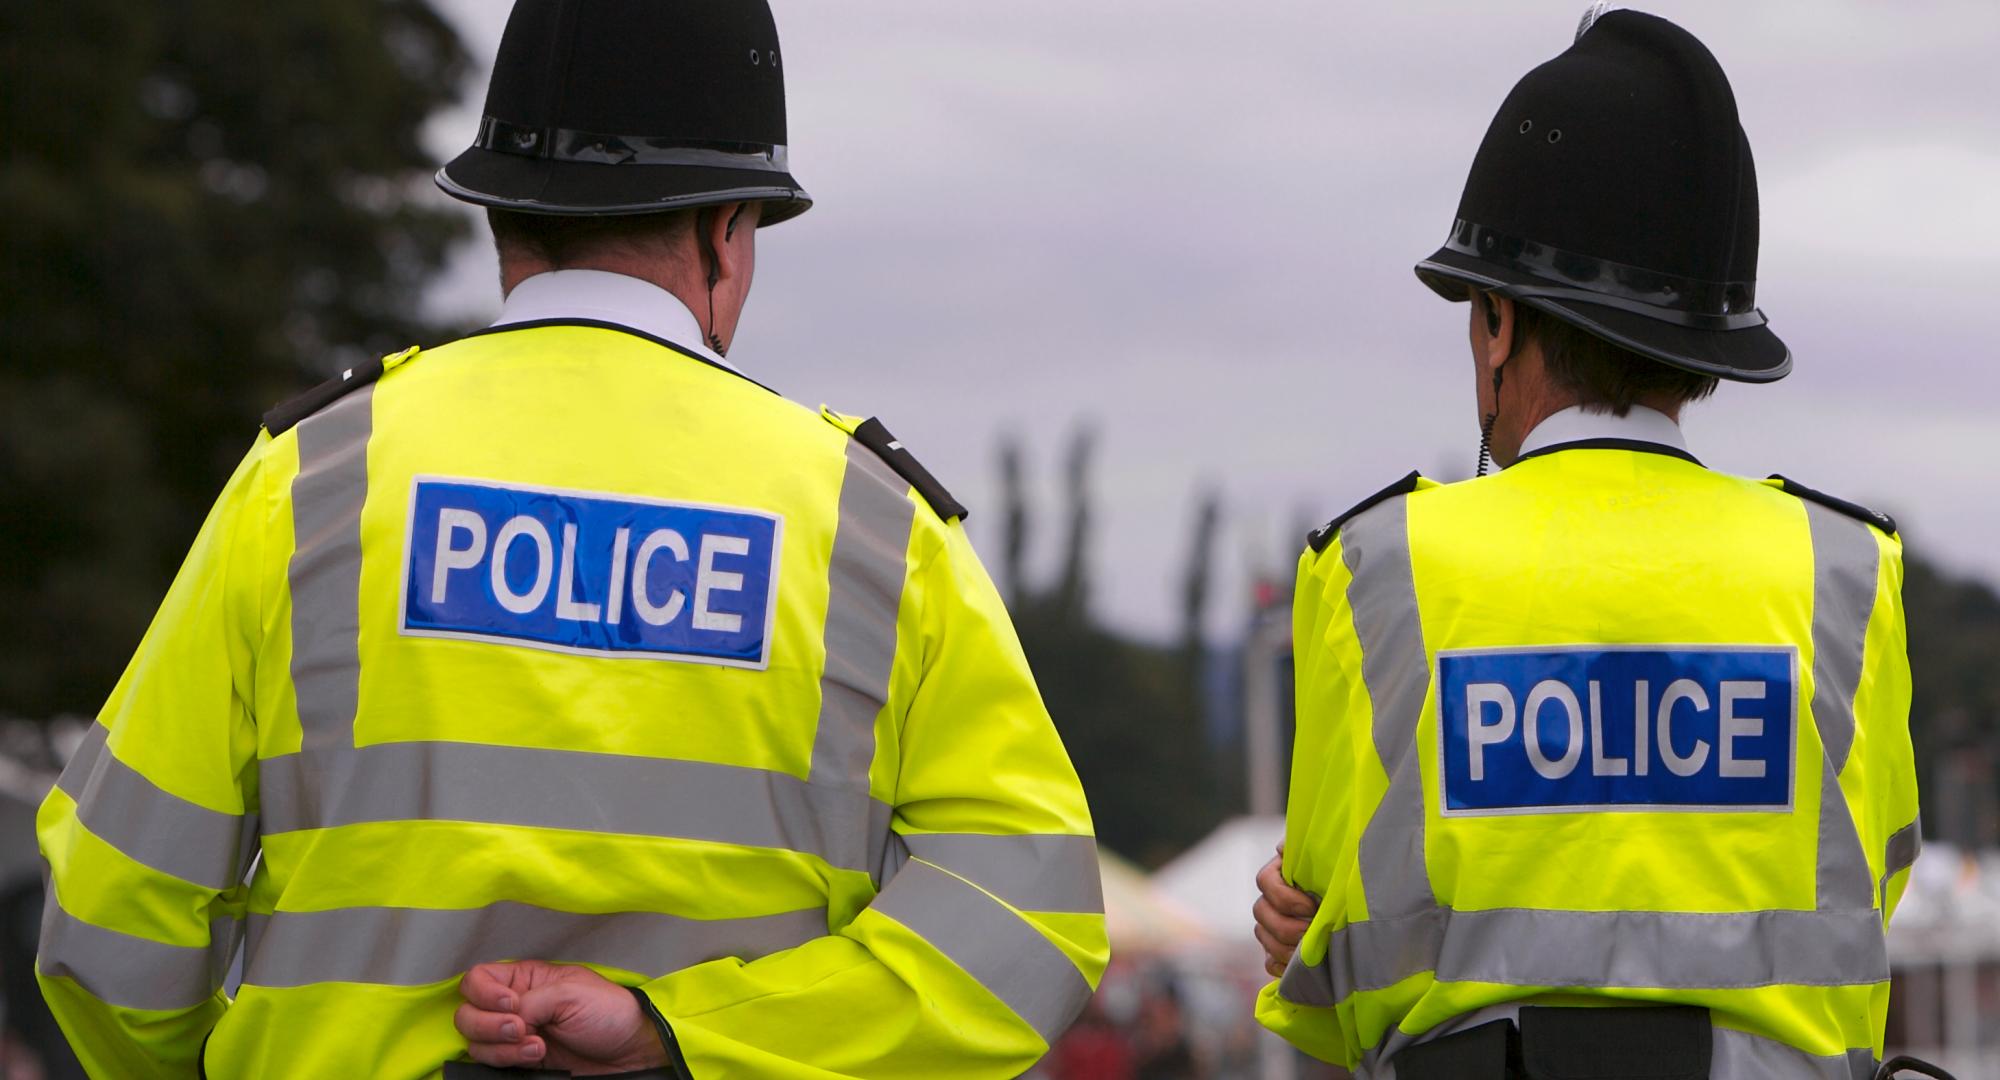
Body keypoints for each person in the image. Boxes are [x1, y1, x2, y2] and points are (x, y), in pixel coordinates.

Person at [35, 2, 1106, 1076]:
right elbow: (1024, 928)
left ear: (500, 213)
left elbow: (114, 906)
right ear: (726, 231)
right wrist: (684, 1036)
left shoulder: (314, 477)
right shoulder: (871, 524)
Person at [1250, 9, 1922, 1080]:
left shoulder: (1376, 569)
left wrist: (1304, 953)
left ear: (1499, 323)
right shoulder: (1844, 574)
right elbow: (1868, 887)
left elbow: (1329, 956)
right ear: (1703, 353)